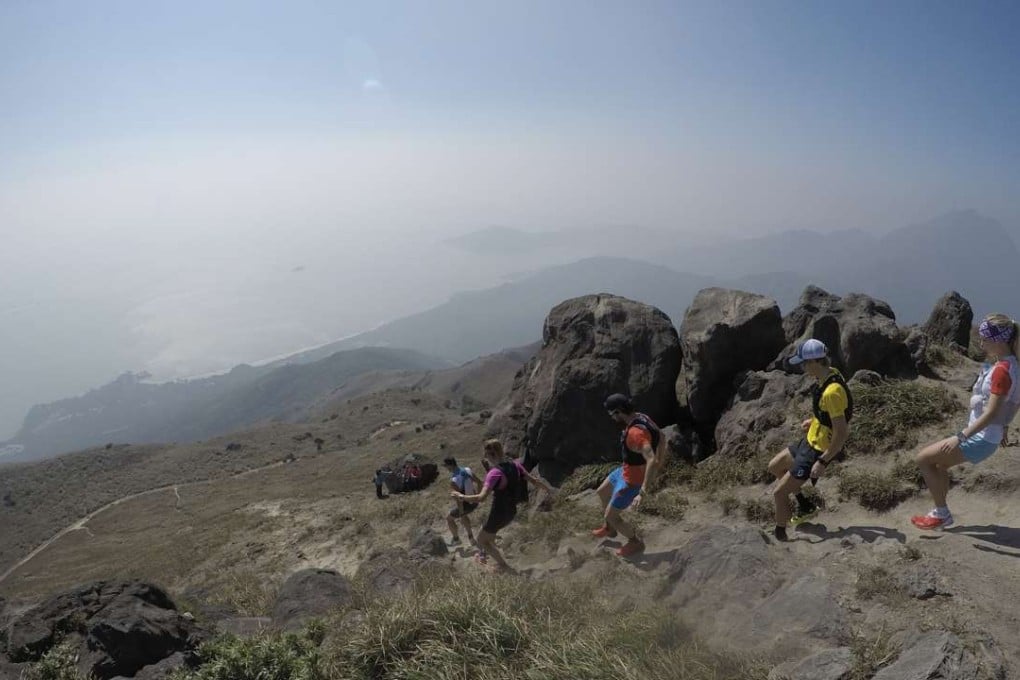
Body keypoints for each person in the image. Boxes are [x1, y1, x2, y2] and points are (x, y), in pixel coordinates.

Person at [911, 314, 1020, 530]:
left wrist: (959, 437)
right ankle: (940, 511)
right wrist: (1005, 427)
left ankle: (941, 514)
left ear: (998, 341)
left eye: (984, 339)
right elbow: (1012, 403)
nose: (980, 343)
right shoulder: (1011, 365)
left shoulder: (1001, 371)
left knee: (923, 459)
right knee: (940, 464)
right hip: (988, 436)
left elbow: (990, 413)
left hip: (981, 438)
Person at [767, 339, 852, 542]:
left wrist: (822, 461)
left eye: (804, 363)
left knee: (779, 494)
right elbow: (829, 415)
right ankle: (804, 505)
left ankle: (780, 533)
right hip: (810, 438)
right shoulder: (829, 375)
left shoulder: (832, 392)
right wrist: (814, 420)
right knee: (774, 467)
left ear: (814, 362)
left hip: (818, 449)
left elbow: (841, 432)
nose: (803, 367)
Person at [451, 439, 555, 573]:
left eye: (486, 455)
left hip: (498, 512)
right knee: (489, 532)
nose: (486, 458)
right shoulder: (515, 465)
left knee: (482, 540)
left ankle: (503, 566)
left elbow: (481, 498)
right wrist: (549, 490)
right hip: (511, 511)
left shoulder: (494, 473)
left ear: (491, 455)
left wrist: (461, 496)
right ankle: (491, 553)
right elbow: (534, 481)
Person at [591, 393, 663, 557]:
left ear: (618, 411)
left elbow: (650, 458)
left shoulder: (635, 434)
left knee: (612, 515)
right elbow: (662, 436)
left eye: (611, 414)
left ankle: (634, 541)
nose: (611, 418)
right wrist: (661, 461)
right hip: (624, 469)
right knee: (601, 492)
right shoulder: (641, 417)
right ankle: (610, 528)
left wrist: (642, 491)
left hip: (632, 481)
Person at [443, 456, 483, 545]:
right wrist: (479, 497)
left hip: (465, 504)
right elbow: (480, 482)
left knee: (449, 518)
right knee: (464, 516)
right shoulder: (467, 469)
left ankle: (456, 539)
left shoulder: (454, 480)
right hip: (474, 501)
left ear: (450, 465)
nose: (446, 468)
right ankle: (471, 538)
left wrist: (461, 512)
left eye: (445, 466)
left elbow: (459, 499)